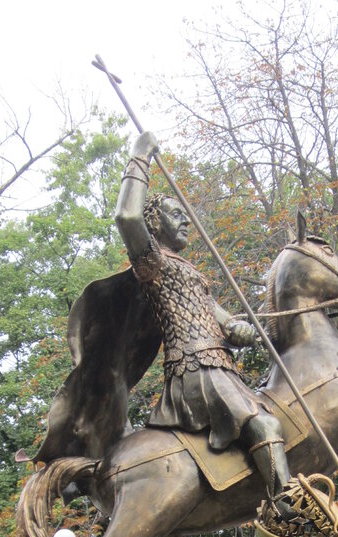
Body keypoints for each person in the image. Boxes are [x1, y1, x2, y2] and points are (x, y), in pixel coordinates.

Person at [113, 130, 292, 505]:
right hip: (195, 368)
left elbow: (225, 323)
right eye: (175, 215)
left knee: (273, 419)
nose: (186, 221)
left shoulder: (190, 272)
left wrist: (241, 330)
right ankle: (288, 509)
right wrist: (140, 156)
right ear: (154, 223)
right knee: (265, 425)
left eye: (185, 216)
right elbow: (127, 216)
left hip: (220, 365)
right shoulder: (153, 263)